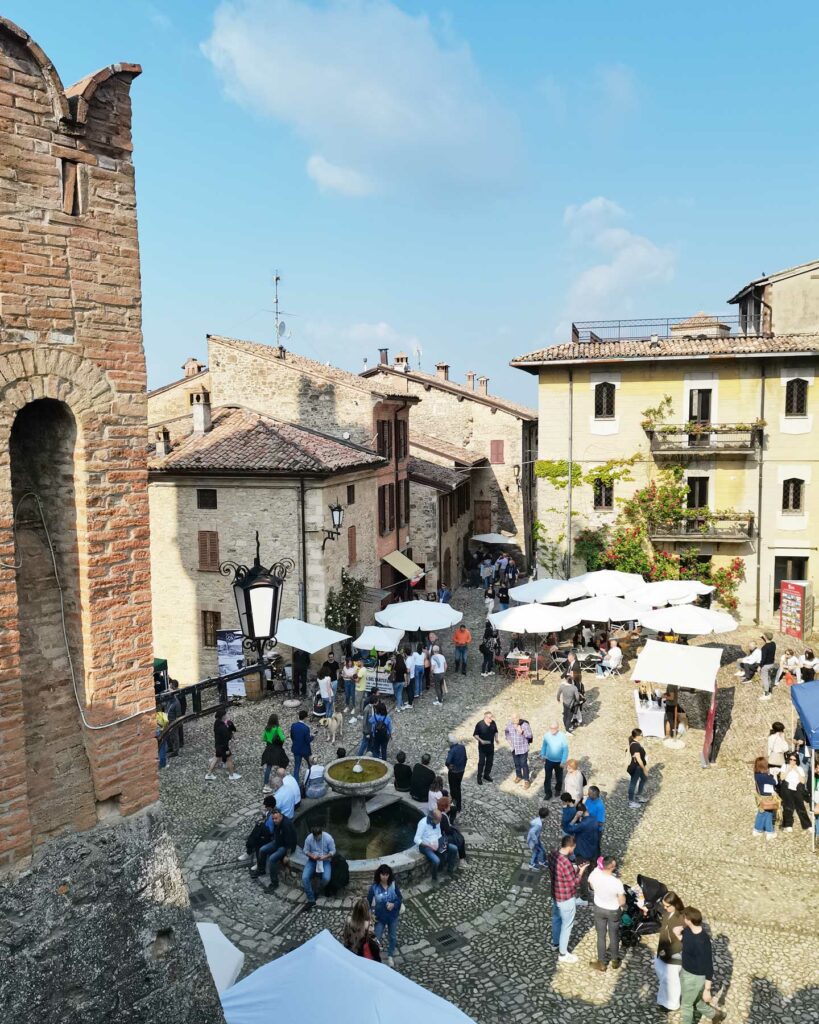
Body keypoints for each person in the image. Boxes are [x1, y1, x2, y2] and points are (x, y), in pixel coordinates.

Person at [680, 907, 725, 1023]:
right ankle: (715, 1015)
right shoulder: (688, 930)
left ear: (689, 920)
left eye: (684, 917)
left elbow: (708, 966)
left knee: (686, 1005)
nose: (683, 918)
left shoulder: (702, 941)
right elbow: (687, 944)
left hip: (695, 977)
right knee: (694, 1001)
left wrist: (707, 989)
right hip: (686, 972)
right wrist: (678, 935)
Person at [547, 833, 586, 964]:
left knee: (556, 919)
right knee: (567, 925)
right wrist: (580, 871)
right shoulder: (566, 863)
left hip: (555, 893)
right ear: (571, 847)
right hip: (566, 898)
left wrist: (573, 869)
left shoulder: (552, 853)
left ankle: (555, 943)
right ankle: (563, 954)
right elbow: (574, 883)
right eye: (574, 847)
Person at [588, 855, 626, 971]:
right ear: (613, 867)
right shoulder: (617, 882)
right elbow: (621, 901)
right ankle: (615, 960)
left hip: (599, 908)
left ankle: (602, 963)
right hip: (613, 911)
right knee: (614, 934)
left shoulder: (595, 876)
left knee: (601, 935)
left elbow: (591, 885)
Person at [654, 891, 686, 1011]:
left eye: (667, 906)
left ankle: (671, 1003)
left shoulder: (681, 918)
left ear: (675, 904)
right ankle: (665, 999)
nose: (665, 908)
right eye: (664, 906)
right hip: (664, 950)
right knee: (664, 977)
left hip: (674, 953)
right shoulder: (668, 913)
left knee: (671, 980)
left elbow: (682, 940)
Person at [368, 865, 403, 966]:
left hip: (393, 916)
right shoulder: (374, 888)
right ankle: (375, 955)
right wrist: (370, 914)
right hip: (380, 917)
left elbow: (400, 898)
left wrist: (394, 904)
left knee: (392, 936)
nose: (384, 877)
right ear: (379, 874)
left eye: (386, 875)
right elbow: (368, 902)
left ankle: (390, 955)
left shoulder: (393, 885)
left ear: (389, 875)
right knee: (377, 937)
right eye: (382, 874)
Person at [414, 809, 458, 882]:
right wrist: (429, 845)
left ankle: (450, 870)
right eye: (439, 820)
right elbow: (416, 839)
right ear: (432, 819)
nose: (440, 821)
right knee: (436, 860)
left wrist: (442, 843)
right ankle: (434, 878)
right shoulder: (422, 823)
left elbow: (438, 834)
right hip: (426, 846)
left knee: (454, 848)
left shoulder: (437, 821)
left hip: (437, 843)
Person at [261, 809, 297, 890]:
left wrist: (287, 855)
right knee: (262, 850)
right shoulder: (277, 823)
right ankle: (261, 870)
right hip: (278, 842)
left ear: (281, 816)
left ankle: (274, 883)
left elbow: (290, 842)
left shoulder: (286, 825)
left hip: (285, 846)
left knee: (272, 859)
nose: (274, 821)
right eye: (273, 819)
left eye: (276, 818)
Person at [302, 825, 335, 910]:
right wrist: (312, 855)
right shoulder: (309, 838)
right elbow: (305, 850)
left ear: (321, 833)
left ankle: (316, 890)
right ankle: (311, 900)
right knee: (305, 877)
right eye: (315, 837)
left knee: (326, 878)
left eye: (318, 837)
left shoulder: (328, 838)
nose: (317, 839)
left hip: (325, 860)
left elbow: (333, 851)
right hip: (313, 860)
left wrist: (326, 856)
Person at [205, 709, 240, 781]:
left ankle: (209, 774)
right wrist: (227, 749)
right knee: (229, 759)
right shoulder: (223, 728)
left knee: (216, 758)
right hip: (223, 747)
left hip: (218, 745)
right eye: (225, 715)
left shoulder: (216, 723)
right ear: (223, 716)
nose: (226, 716)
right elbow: (225, 740)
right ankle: (231, 775)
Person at [780, 752, 811, 831]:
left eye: (794, 760)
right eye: (791, 759)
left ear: (797, 760)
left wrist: (797, 771)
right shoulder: (785, 766)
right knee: (788, 806)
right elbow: (782, 777)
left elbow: (803, 781)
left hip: (797, 787)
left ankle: (807, 825)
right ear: (788, 759)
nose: (792, 761)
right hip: (787, 787)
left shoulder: (799, 768)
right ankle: (788, 825)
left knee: (800, 806)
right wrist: (788, 770)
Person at [540, 721, 569, 800]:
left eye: (554, 728)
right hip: (549, 760)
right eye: (551, 728)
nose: (552, 730)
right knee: (547, 777)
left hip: (559, 761)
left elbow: (565, 749)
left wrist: (563, 761)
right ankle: (548, 792)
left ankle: (558, 790)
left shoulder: (562, 736)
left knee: (559, 777)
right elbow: (544, 746)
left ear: (557, 728)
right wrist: (542, 755)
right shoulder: (547, 735)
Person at [504, 714, 534, 788]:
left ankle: (526, 780)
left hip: (523, 749)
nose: (514, 719)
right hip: (514, 748)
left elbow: (530, 735)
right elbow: (506, 732)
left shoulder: (525, 725)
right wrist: (509, 740)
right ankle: (519, 776)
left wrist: (522, 732)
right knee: (517, 764)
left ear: (519, 717)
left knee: (523, 764)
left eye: (516, 717)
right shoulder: (509, 724)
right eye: (513, 718)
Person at [753, 755, 778, 839]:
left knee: (761, 812)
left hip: (760, 796)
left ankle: (757, 829)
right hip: (766, 796)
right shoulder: (764, 776)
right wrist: (773, 774)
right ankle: (769, 832)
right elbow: (774, 782)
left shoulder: (757, 774)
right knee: (768, 813)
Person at [261, 713, 288, 792]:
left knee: (269, 766)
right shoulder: (277, 728)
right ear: (276, 720)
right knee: (284, 762)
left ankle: (266, 785)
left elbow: (263, 739)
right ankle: (282, 781)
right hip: (277, 748)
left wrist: (269, 739)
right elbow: (282, 738)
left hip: (269, 747)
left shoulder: (267, 728)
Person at [473, 710, 498, 785]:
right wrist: (481, 740)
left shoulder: (493, 723)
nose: (491, 719)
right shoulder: (480, 724)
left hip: (491, 746)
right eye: (490, 718)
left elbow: (496, 731)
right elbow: (475, 735)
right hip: (482, 747)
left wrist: (496, 738)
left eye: (492, 717)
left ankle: (486, 775)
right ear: (485, 718)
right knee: (481, 762)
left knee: (490, 762)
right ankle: (479, 777)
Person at [289, 709, 313, 784]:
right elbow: (308, 740)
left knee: (297, 767)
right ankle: (311, 778)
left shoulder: (293, 726)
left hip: (296, 749)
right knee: (310, 764)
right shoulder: (306, 728)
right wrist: (313, 736)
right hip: (305, 750)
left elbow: (292, 736)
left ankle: (296, 783)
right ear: (305, 718)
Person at [445, 733, 467, 810]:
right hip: (461, 771)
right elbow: (465, 758)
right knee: (458, 787)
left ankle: (454, 805)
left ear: (450, 743)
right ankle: (459, 805)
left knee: (453, 788)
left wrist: (449, 767)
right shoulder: (462, 747)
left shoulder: (452, 751)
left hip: (454, 772)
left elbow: (447, 762)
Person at [627, 728, 648, 808]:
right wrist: (644, 769)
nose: (642, 736)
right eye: (641, 735)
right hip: (637, 768)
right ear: (637, 736)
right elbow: (638, 759)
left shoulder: (635, 742)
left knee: (644, 779)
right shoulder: (635, 745)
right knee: (633, 783)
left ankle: (639, 796)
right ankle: (631, 801)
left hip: (639, 767)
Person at [585, 785, 606, 855]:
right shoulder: (588, 799)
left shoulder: (600, 806)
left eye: (589, 793)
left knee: (595, 847)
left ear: (594, 794)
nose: (588, 794)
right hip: (587, 828)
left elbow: (600, 823)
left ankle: (597, 860)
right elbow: (585, 809)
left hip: (595, 831)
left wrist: (589, 821)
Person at [391, 647, 407, 711]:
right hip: (402, 681)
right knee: (400, 694)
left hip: (396, 682)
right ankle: (402, 705)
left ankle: (398, 707)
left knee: (397, 694)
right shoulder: (404, 665)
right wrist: (405, 681)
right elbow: (405, 674)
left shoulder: (395, 666)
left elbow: (392, 672)